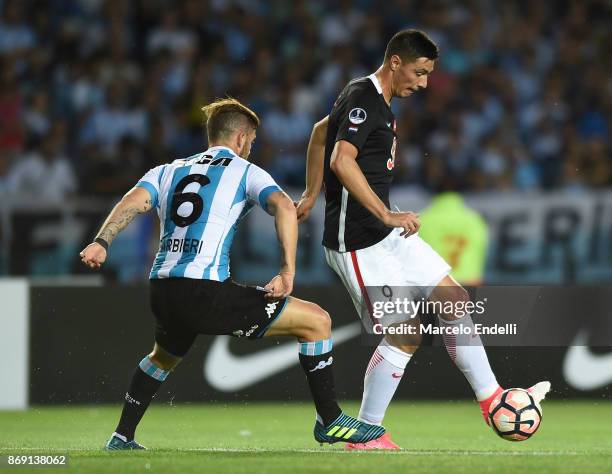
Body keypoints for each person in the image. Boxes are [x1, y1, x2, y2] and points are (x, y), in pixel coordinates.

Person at [80, 98, 386, 450]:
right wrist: (287, 271)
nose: (251, 149)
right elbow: (284, 206)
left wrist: (102, 241)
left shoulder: (167, 170)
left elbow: (132, 202)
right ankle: (330, 421)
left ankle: (121, 436)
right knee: (317, 321)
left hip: (162, 289)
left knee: (162, 357)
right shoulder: (242, 170)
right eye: (252, 142)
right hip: (204, 291)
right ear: (241, 138)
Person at [296, 29, 550, 450]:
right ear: (395, 62)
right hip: (357, 242)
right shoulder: (363, 97)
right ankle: (366, 434)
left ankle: (491, 399)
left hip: (385, 234)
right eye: (420, 71)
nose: (424, 82)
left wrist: (309, 192)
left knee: (454, 300)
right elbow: (340, 158)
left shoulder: (369, 98)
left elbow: (322, 132)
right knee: (406, 331)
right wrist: (384, 212)